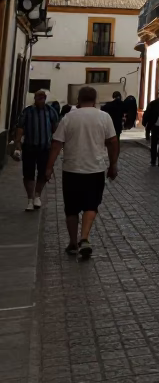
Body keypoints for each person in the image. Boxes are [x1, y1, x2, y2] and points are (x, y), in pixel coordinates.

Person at [44, 86, 118, 259]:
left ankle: (72, 242)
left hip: (72, 169)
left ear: (79, 99)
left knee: (71, 208)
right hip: (95, 169)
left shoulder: (69, 117)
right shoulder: (104, 117)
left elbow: (56, 143)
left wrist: (48, 167)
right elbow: (113, 142)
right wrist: (113, 164)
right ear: (95, 100)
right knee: (91, 205)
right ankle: (84, 238)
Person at [12, 90, 58, 211]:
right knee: (28, 174)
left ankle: (37, 196)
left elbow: (55, 128)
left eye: (43, 97)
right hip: (29, 147)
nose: (41, 99)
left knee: (43, 173)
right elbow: (20, 127)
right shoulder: (27, 111)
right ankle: (30, 199)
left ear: (45, 98)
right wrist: (17, 143)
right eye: (39, 97)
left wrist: (56, 145)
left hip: (45, 148)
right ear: (35, 98)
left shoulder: (50, 111)